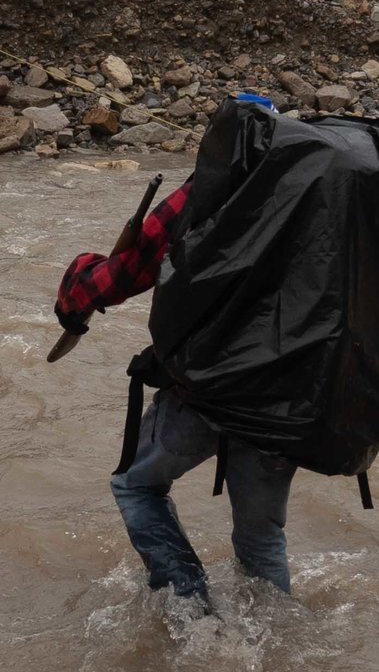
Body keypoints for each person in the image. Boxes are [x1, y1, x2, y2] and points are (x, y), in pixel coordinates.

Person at [54, 97, 299, 607]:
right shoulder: (315, 199)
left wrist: (73, 296)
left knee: (136, 486)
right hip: (287, 398)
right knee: (261, 537)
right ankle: (277, 645)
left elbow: (121, 274)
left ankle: (190, 607)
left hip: (207, 389)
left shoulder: (200, 195)